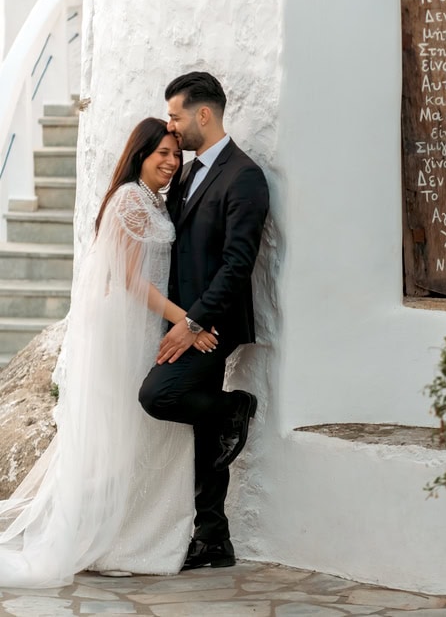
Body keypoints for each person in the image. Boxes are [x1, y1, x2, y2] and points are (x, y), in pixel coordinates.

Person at [0, 118, 198, 587]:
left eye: (176, 155)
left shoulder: (152, 199)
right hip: (125, 329)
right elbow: (130, 278)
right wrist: (181, 318)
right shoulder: (130, 199)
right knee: (123, 431)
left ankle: (134, 534)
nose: (171, 163)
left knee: (140, 432)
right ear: (140, 155)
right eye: (162, 155)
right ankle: (111, 539)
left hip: (140, 326)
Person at [139, 71, 269, 570]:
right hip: (181, 320)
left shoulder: (244, 176)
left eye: (175, 115)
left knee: (159, 395)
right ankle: (213, 537)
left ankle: (235, 405)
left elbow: (238, 263)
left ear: (203, 114)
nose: (171, 126)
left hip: (210, 325)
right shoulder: (189, 171)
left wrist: (194, 323)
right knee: (204, 429)